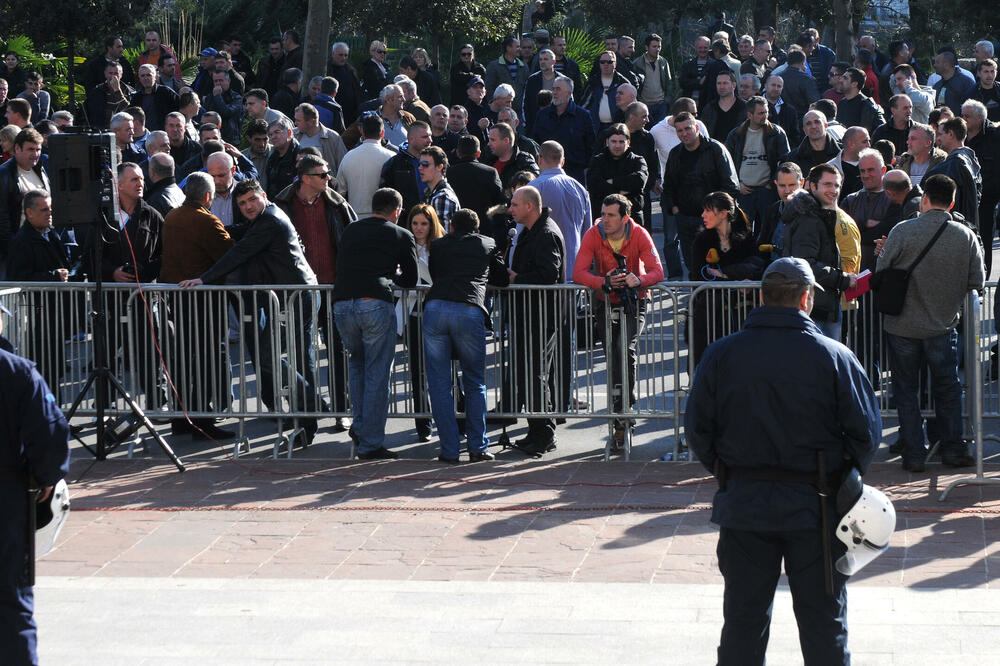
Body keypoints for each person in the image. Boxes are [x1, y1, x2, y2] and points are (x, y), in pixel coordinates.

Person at [686, 255, 880, 666]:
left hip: (746, 501)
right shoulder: (834, 356)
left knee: (742, 623)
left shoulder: (723, 354)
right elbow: (866, 436)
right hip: (815, 506)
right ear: (806, 300)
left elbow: (699, 430)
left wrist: (728, 472)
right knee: (824, 625)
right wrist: (840, 476)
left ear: (762, 296)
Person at [180, 178, 321, 449]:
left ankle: (311, 408)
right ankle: (310, 415)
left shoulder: (270, 220)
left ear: (264, 196)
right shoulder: (265, 217)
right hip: (294, 295)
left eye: (252, 200)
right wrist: (213, 228)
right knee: (299, 357)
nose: (248, 206)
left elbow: (241, 251)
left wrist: (204, 278)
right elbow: (243, 231)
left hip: (295, 297)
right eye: (242, 203)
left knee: (271, 354)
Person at [878, 174, 985, 471]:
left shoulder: (902, 230)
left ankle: (914, 454)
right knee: (947, 387)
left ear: (924, 198)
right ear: (951, 203)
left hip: (902, 325)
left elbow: (883, 270)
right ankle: (952, 449)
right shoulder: (964, 236)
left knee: (905, 389)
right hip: (943, 324)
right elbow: (977, 280)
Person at [0, 296, 71, 666]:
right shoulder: (17, 371)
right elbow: (50, 433)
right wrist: (47, 477)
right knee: (10, 599)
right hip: (6, 496)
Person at [332, 188, 418, 459]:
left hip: (343, 303)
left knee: (357, 366)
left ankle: (360, 427)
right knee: (378, 373)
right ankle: (371, 442)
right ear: (397, 210)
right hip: (374, 302)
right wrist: (392, 276)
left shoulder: (352, 230)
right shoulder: (401, 234)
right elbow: (411, 279)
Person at [272, 155, 357, 433]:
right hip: (300, 292)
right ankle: (307, 413)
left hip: (334, 287)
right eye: (322, 174)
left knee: (337, 351)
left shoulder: (337, 203)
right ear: (305, 178)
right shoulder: (282, 203)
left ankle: (341, 409)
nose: (328, 178)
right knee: (302, 353)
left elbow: (351, 238)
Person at [572, 194, 662, 448]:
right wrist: (603, 282)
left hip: (635, 300)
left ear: (625, 218)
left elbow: (658, 270)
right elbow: (578, 272)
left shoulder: (639, 233)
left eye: (611, 215)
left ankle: (626, 408)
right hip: (605, 300)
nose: (605, 220)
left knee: (626, 349)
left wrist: (638, 280)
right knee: (612, 354)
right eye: (603, 213)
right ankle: (618, 417)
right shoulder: (593, 233)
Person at [424, 207, 509, 462]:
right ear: (477, 228)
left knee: (439, 384)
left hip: (436, 307)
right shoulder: (487, 243)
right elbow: (502, 278)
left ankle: (449, 449)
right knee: (474, 381)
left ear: (451, 227)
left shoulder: (438, 246)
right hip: (469, 308)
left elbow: (435, 274)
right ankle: (477, 446)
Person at [159, 172, 235, 440]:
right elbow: (228, 255)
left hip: (177, 298)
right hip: (203, 301)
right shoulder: (206, 220)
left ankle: (182, 419)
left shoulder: (172, 217)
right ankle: (203, 420)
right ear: (206, 196)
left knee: (183, 359)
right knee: (206, 358)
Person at [506, 185, 565, 456]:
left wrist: (517, 279)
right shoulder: (533, 231)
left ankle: (544, 434)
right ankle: (536, 431)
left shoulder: (545, 233)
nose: (510, 209)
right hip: (528, 314)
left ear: (530, 206)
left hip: (539, 316)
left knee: (536, 375)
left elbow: (548, 274)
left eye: (515, 204)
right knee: (530, 376)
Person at [5, 189, 73, 395]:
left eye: (50, 209)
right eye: (44, 210)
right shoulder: (22, 241)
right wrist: (53, 276)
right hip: (37, 314)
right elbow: (18, 277)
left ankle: (57, 417)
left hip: (56, 313)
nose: (49, 213)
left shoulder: (51, 234)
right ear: (30, 213)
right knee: (44, 369)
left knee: (55, 369)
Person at [782, 163, 859, 340]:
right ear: (812, 186)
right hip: (815, 309)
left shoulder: (816, 215)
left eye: (837, 185)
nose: (834, 190)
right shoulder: (809, 219)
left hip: (819, 305)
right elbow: (806, 265)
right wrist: (843, 279)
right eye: (828, 184)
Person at [689, 191, 762, 367]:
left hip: (742, 312)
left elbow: (756, 267)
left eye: (708, 210)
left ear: (723, 214)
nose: (703, 215)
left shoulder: (746, 238)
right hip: (710, 314)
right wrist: (735, 280)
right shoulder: (701, 240)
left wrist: (726, 275)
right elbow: (697, 276)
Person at [661, 111, 739, 275]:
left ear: (696, 127)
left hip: (715, 220)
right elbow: (668, 186)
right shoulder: (676, 154)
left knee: (719, 266)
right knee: (694, 268)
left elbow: (730, 185)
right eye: (680, 130)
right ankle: (697, 300)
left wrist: (718, 213)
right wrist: (674, 209)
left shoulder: (716, 149)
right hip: (686, 219)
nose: (684, 133)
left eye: (687, 128)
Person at [397, 204, 445, 443]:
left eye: (423, 223)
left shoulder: (440, 247)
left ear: (432, 224)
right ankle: (423, 423)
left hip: (437, 312)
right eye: (415, 223)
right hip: (412, 313)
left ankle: (455, 419)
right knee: (417, 370)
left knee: (444, 369)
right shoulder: (404, 245)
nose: (418, 228)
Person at [724, 96, 790, 229]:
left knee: (768, 231)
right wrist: (737, 185)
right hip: (744, 192)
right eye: (761, 113)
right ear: (750, 115)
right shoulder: (736, 135)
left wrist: (772, 184)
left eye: (766, 112)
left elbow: (786, 162)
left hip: (766, 191)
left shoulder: (776, 133)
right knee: (742, 231)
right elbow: (727, 164)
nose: (765, 116)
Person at [0, 128, 50, 281]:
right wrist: (12, 246)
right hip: (15, 250)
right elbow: (2, 217)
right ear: (17, 148)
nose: (35, 154)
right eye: (30, 149)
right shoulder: (4, 174)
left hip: (40, 246)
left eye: (38, 149)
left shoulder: (40, 170)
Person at [529, 76, 594, 184]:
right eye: (553, 89)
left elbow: (590, 146)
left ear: (569, 93)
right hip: (547, 174)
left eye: (558, 89)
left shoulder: (583, 116)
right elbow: (535, 143)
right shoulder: (542, 115)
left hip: (574, 174)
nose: (554, 92)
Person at [926, 117, 983, 234]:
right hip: (967, 228)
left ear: (951, 134)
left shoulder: (954, 164)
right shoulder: (971, 160)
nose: (938, 139)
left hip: (954, 230)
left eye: (940, 134)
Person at [963, 99, 1000, 277]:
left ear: (979, 117)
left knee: (984, 239)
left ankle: (982, 281)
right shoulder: (959, 134)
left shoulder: (994, 136)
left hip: (987, 199)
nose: (963, 119)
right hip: (964, 198)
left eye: (967, 116)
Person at [587, 123, 648, 230]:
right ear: (607, 142)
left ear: (628, 143)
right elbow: (594, 186)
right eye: (614, 141)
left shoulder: (638, 161)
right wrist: (621, 192)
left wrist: (613, 182)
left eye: (621, 142)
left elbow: (639, 181)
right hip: (603, 220)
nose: (617, 145)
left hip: (632, 219)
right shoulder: (597, 161)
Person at [335, 113, 395, 218]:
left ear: (362, 132)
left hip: (355, 217)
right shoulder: (392, 157)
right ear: (382, 133)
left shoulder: (348, 157)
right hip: (385, 217)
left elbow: (339, 192)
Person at [380, 121, 433, 214]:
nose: (430, 140)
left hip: (432, 217)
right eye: (425, 137)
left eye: (430, 136)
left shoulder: (436, 161)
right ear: (411, 139)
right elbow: (386, 196)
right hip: (404, 220)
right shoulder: (394, 164)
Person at [632, 33, 671, 125]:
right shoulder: (637, 64)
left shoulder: (663, 62)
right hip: (645, 105)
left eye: (659, 46)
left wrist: (667, 100)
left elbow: (669, 83)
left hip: (661, 104)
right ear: (647, 47)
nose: (657, 49)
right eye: (654, 46)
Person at [896, 122, 946, 187]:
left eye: (913, 139)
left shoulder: (942, 165)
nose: (908, 142)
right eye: (908, 138)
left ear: (927, 143)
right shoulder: (902, 163)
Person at [702, 70, 747, 142]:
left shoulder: (745, 107)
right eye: (719, 83)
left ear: (734, 85)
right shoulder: (710, 108)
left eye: (725, 83)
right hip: (715, 150)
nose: (721, 87)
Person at [327, 42, 362, 125]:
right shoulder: (327, 70)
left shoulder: (351, 71)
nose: (343, 58)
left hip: (351, 114)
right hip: (334, 111)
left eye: (345, 55)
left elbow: (357, 91)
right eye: (340, 55)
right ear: (333, 53)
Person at [971, 58, 1000, 122]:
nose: (989, 75)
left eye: (992, 71)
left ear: (996, 73)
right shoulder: (971, 94)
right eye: (986, 71)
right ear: (978, 73)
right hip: (982, 130)